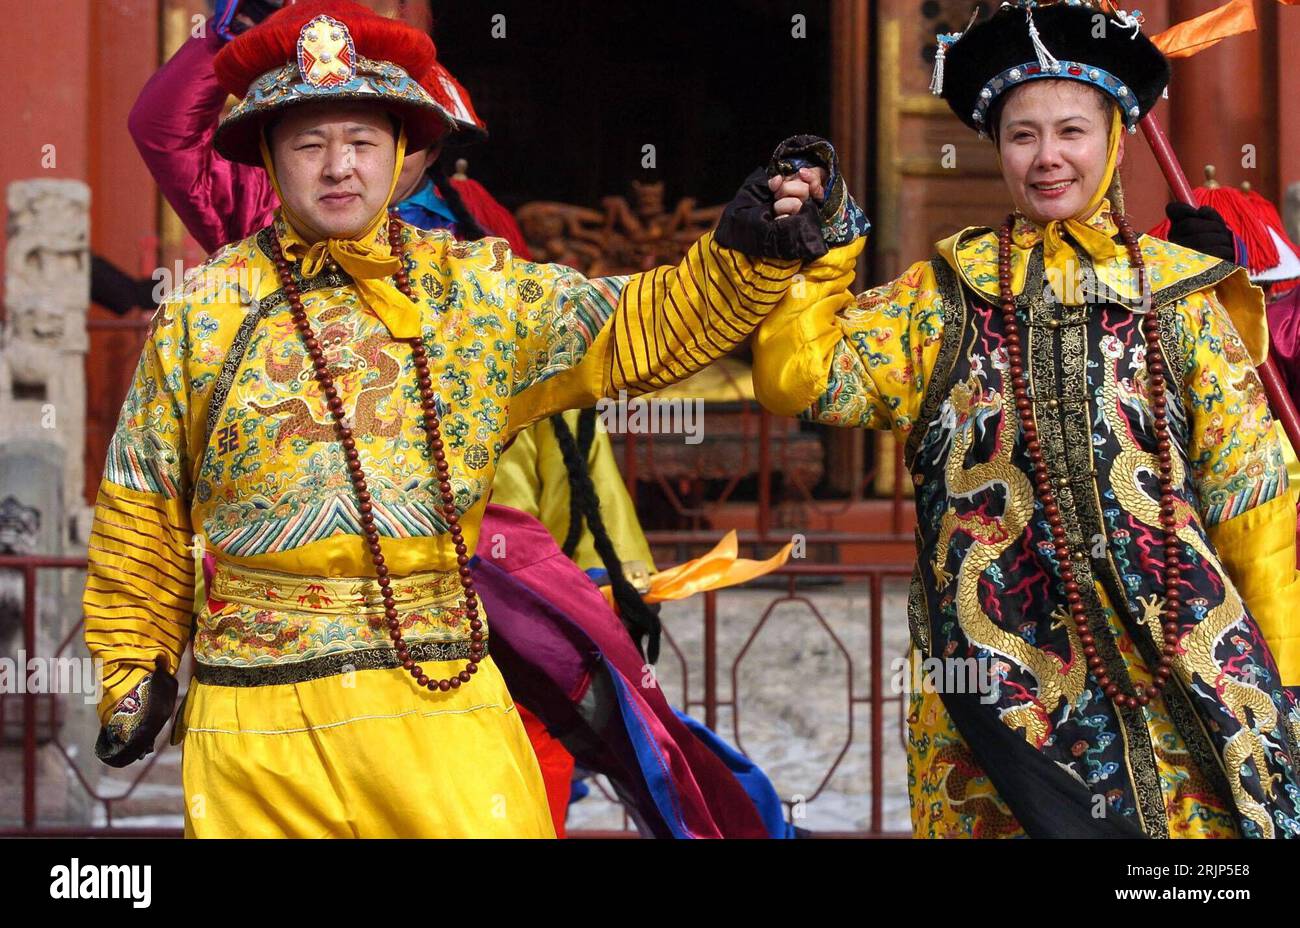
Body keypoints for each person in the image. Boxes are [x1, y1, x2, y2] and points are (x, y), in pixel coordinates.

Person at [84, 0, 855, 837]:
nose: (338, 166)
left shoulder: (478, 294)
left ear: (402, 154)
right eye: (310, 143)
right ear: (268, 154)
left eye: (363, 142)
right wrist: (134, 667)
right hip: (254, 730)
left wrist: (739, 257)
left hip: (438, 705)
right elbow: (143, 504)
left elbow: (632, 330)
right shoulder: (205, 316)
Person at [741, 0, 1300, 838]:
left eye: (1071, 131)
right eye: (1022, 135)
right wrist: (820, 252)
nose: (1048, 159)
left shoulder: (1181, 298)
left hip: (1181, 678)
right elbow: (799, 378)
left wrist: (1284, 682)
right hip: (1000, 698)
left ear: (1113, 138)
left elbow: (1252, 500)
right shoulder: (943, 298)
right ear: (997, 147)